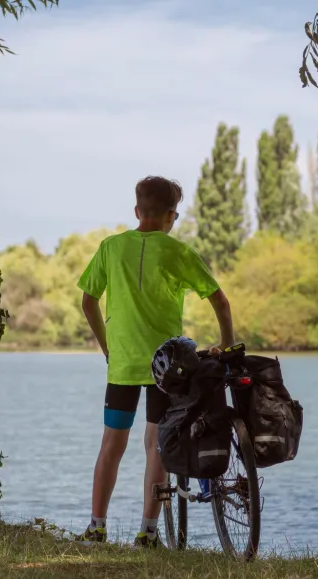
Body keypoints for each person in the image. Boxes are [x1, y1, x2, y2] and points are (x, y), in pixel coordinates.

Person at [76, 175, 235, 548]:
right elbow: (221, 302)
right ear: (170, 216)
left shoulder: (111, 248)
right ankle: (147, 533)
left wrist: (107, 348)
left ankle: (97, 528)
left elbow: (88, 301)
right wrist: (226, 345)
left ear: (136, 211)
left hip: (123, 366)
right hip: (169, 370)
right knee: (157, 445)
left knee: (111, 445)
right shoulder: (178, 252)